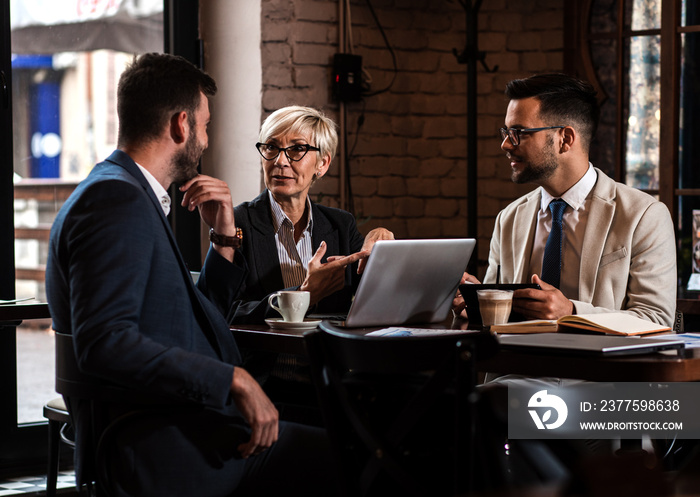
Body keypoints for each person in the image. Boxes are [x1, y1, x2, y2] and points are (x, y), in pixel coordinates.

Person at [45, 53, 336, 497]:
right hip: (168, 447)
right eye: (203, 125)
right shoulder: (115, 200)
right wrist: (233, 380)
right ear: (181, 125)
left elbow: (193, 317)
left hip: (175, 428)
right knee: (355, 458)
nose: (205, 138)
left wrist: (223, 239)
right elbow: (105, 343)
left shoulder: (125, 192)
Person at [460, 73, 676, 327]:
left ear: (566, 139)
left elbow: (657, 320)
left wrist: (571, 312)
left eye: (519, 132)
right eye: (506, 132)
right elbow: (497, 323)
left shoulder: (644, 216)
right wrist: (473, 303)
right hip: (517, 366)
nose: (506, 144)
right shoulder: (509, 218)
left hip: (597, 366)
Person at [230, 105, 394, 324]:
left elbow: (382, 295)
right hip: (267, 357)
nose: (280, 161)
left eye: (297, 149)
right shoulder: (238, 223)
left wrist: (382, 241)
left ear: (322, 164)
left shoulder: (340, 225)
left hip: (326, 357)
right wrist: (304, 294)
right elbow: (226, 311)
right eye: (271, 147)